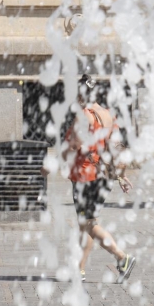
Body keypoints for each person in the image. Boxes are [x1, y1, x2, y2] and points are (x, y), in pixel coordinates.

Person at [63, 74, 135, 284]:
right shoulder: (107, 114)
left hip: (86, 178)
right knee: (87, 223)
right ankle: (79, 269)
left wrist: (54, 161)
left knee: (89, 224)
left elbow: (76, 146)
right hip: (102, 178)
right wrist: (120, 175)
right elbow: (117, 147)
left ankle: (122, 257)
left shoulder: (83, 116)